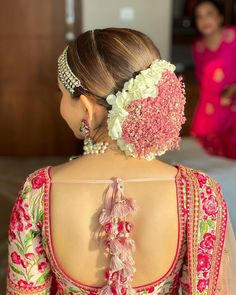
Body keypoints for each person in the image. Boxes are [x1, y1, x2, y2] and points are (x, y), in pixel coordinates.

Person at [6, 28, 236, 295]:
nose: (59, 104)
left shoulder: (37, 193)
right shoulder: (199, 193)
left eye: (61, 93)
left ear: (86, 108)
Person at [191, 0, 236, 159]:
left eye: (209, 14)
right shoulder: (198, 47)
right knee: (209, 152)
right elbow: (201, 79)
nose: (204, 20)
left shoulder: (233, 36)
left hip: (232, 103)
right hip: (210, 106)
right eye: (199, 16)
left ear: (220, 17)